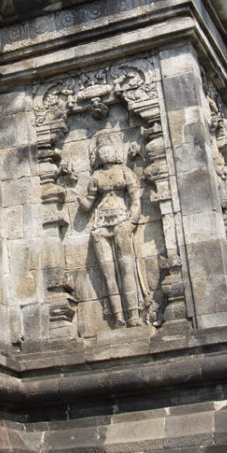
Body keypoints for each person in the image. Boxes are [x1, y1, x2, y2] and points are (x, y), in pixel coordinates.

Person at [79, 131, 147, 326]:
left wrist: (131, 221)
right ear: (96, 154)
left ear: (115, 151)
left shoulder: (125, 172)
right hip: (100, 225)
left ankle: (133, 315)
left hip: (121, 221)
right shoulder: (96, 176)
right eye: (102, 150)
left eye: (109, 149)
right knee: (108, 273)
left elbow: (135, 199)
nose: (105, 153)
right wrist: (74, 194)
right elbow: (88, 204)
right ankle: (118, 317)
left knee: (126, 268)